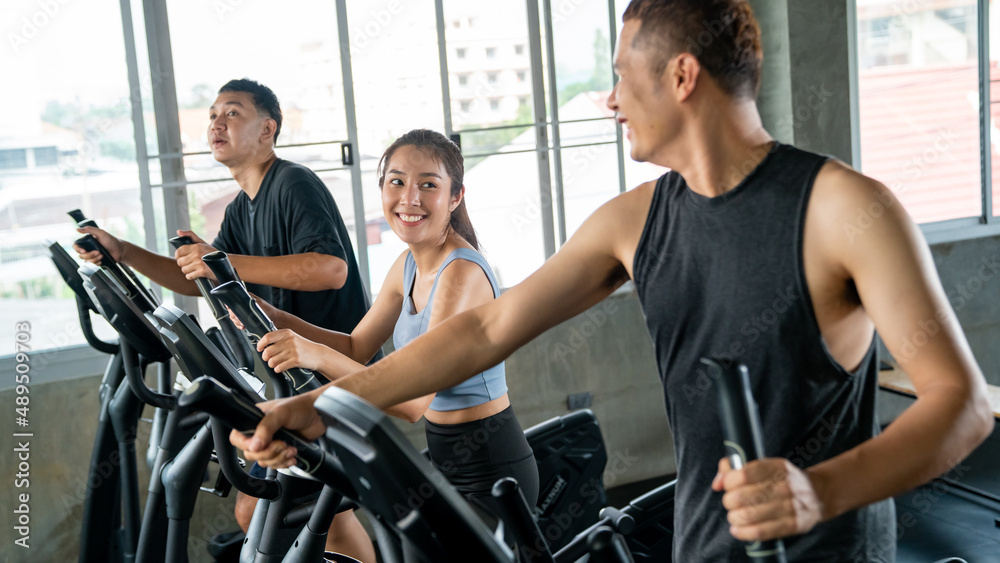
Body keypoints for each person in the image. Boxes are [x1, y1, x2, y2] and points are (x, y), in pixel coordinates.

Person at [231, 2, 994, 561]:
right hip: (705, 544)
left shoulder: (844, 208)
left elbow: (961, 403)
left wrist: (819, 489)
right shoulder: (632, 221)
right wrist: (323, 402)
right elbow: (487, 329)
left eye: (624, 77)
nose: (612, 100)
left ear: (683, 76)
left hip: (832, 550)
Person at [75, 78, 376, 562]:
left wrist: (223, 261)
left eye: (232, 113)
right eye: (213, 114)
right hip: (292, 378)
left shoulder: (293, 183)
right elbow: (197, 275)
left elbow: (330, 269)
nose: (216, 122)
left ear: (267, 129)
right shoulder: (242, 206)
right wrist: (123, 251)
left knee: (307, 509)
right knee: (284, 510)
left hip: (333, 372)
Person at [236, 129, 538, 527]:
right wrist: (277, 317)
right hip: (445, 458)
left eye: (428, 185)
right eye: (396, 182)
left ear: (455, 197)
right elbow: (356, 345)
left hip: (491, 468)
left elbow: (413, 403)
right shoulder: (407, 264)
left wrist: (312, 353)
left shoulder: (461, 272)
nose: (409, 198)